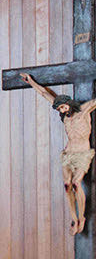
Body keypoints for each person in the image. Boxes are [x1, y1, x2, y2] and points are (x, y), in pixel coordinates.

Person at [21, 73, 96, 234]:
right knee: (67, 185)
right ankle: (73, 218)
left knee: (77, 184)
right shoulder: (65, 117)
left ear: (69, 103)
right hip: (68, 153)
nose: (62, 110)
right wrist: (31, 81)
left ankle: (81, 217)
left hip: (82, 152)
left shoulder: (83, 111)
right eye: (60, 109)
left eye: (63, 107)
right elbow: (44, 93)